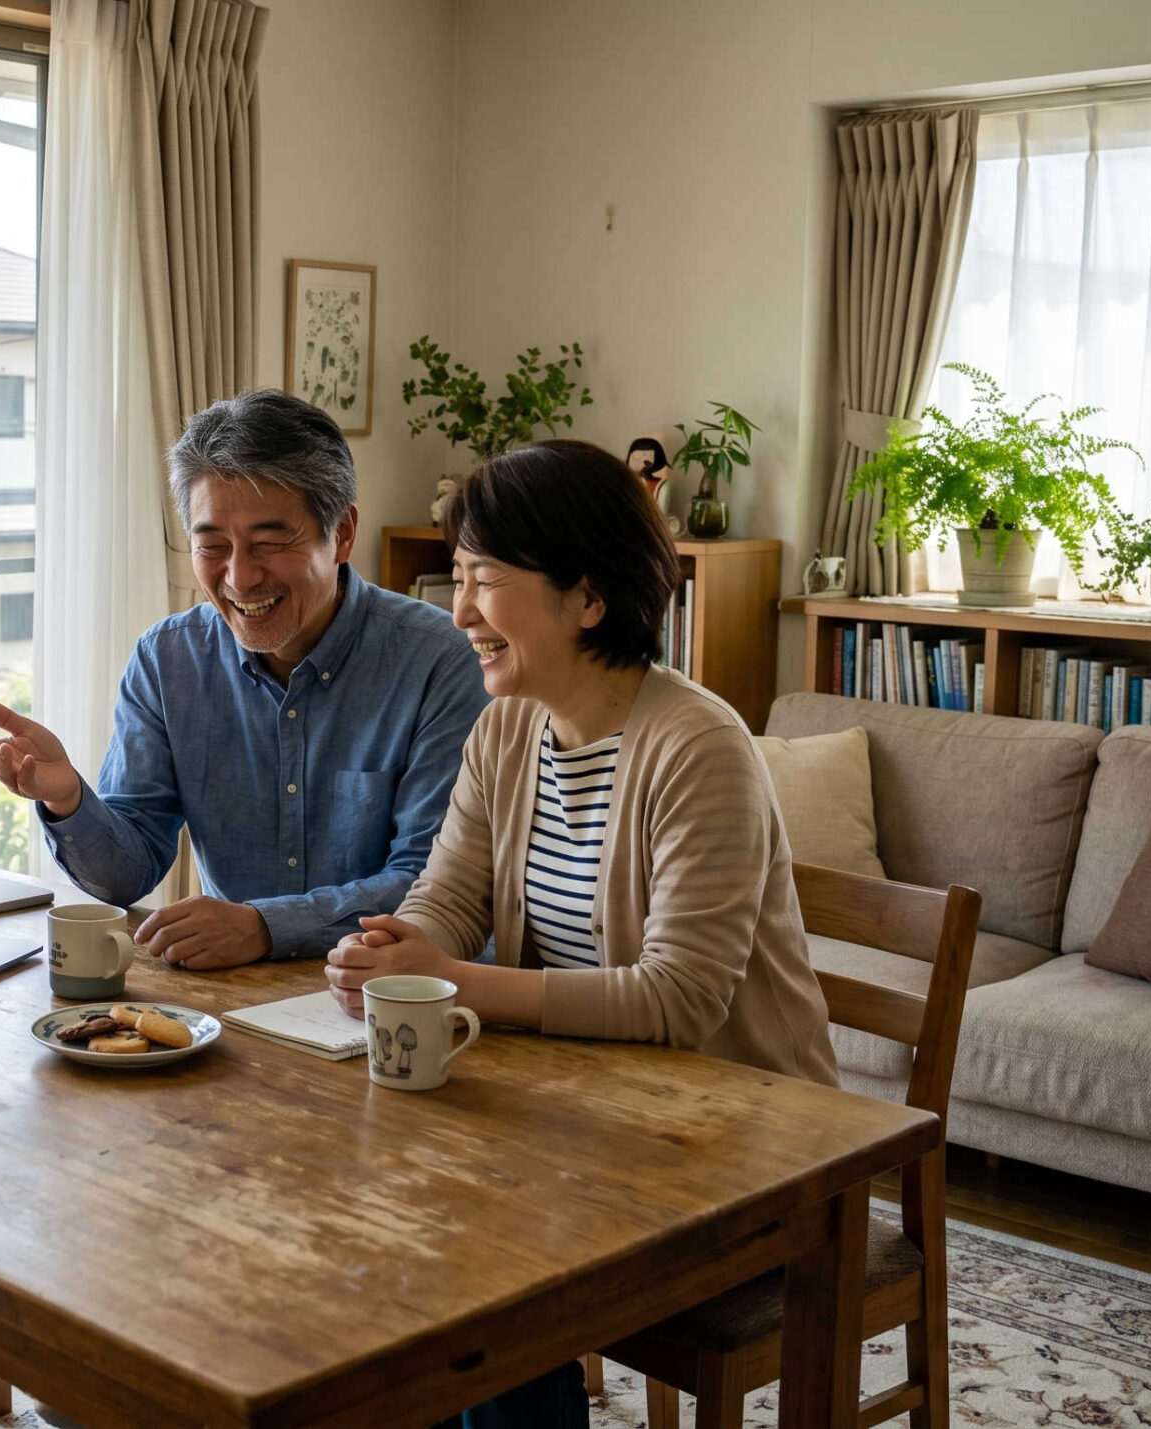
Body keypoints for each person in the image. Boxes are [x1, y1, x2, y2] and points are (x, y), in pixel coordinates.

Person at [325, 439, 837, 1426]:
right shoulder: (507, 726)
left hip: (748, 1140)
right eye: (456, 579)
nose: (459, 611)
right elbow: (451, 895)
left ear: (587, 599)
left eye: (483, 582)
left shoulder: (698, 746)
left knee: (484, 1257)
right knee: (379, 1215)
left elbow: (678, 997)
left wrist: (454, 984)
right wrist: (400, 950)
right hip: (594, 1108)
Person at [0, 390, 489, 966]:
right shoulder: (167, 661)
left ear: (342, 534)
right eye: (212, 545)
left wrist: (265, 927)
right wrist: (67, 801)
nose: (239, 576)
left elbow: (432, 885)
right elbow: (127, 875)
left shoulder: (441, 660)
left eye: (268, 541)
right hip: (234, 998)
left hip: (394, 995)